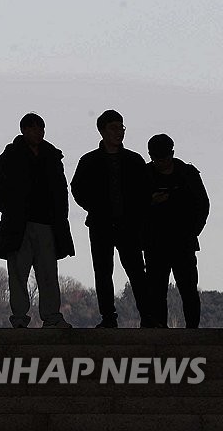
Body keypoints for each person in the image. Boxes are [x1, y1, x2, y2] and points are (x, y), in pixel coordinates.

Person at [0, 112, 75, 329]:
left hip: (43, 223)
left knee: (46, 273)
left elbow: (61, 191)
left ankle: (49, 315)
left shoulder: (49, 157)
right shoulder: (12, 157)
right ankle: (23, 316)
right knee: (20, 273)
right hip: (21, 223)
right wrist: (12, 211)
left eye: (41, 129)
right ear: (24, 130)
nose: (39, 132)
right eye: (35, 128)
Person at [71, 109, 151, 327]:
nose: (119, 132)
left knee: (136, 272)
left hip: (128, 226)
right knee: (104, 273)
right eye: (114, 128)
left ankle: (148, 317)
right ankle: (108, 317)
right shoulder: (89, 161)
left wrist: (135, 216)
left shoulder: (134, 160)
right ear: (102, 131)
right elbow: (77, 189)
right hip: (101, 225)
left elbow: (144, 192)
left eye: (121, 127)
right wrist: (97, 208)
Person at [143, 133, 210, 328]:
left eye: (162, 158)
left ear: (171, 153)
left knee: (188, 290)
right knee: (157, 291)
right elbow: (135, 206)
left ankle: (192, 330)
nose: (160, 162)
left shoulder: (188, 174)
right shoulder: (145, 175)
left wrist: (192, 232)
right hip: (155, 243)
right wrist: (150, 202)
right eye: (156, 158)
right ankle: (160, 330)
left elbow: (202, 205)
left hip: (183, 242)